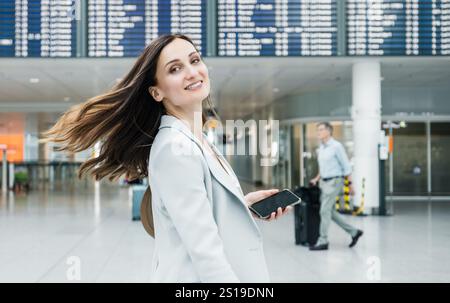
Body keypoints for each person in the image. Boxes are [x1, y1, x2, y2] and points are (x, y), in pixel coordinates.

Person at [42, 34, 290, 282]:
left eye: (194, 60)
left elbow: (199, 216)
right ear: (156, 92)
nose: (192, 72)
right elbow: (205, 253)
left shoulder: (196, 139)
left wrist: (241, 206)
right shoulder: (174, 148)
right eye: (175, 69)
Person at [309, 122, 363, 251]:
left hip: (334, 182)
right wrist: (316, 179)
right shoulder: (321, 148)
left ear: (329, 131)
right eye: (318, 130)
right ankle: (354, 232)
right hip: (324, 182)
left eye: (321, 130)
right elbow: (324, 168)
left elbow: (346, 166)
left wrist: (350, 185)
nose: (319, 132)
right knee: (329, 212)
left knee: (324, 211)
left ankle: (323, 241)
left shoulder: (336, 146)